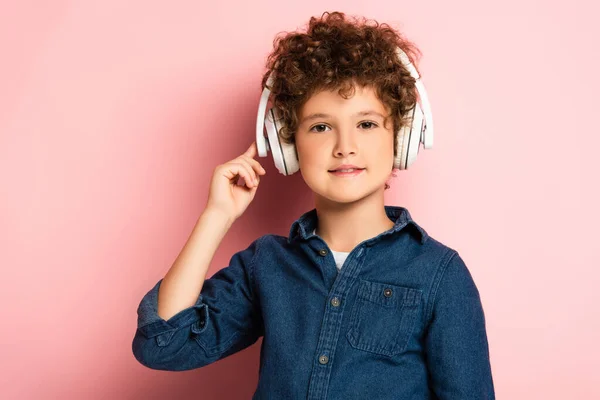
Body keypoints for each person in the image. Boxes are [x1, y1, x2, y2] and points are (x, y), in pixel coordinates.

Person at [132, 11, 495, 399]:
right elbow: (164, 346)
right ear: (289, 145)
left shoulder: (440, 274)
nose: (345, 146)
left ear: (402, 137)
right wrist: (217, 216)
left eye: (367, 124)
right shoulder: (266, 265)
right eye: (320, 126)